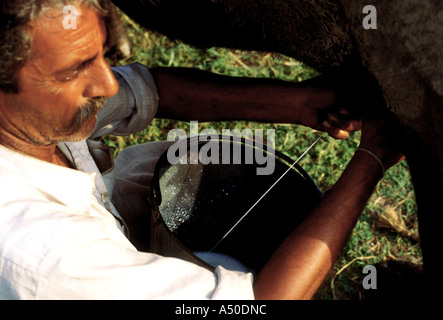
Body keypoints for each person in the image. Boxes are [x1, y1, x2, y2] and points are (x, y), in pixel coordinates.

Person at [0, 0, 403, 299]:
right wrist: (371, 159)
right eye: (73, 71)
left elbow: (151, 92)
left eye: (101, 57)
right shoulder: (50, 259)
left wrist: (299, 103)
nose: (107, 84)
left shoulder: (31, 119)